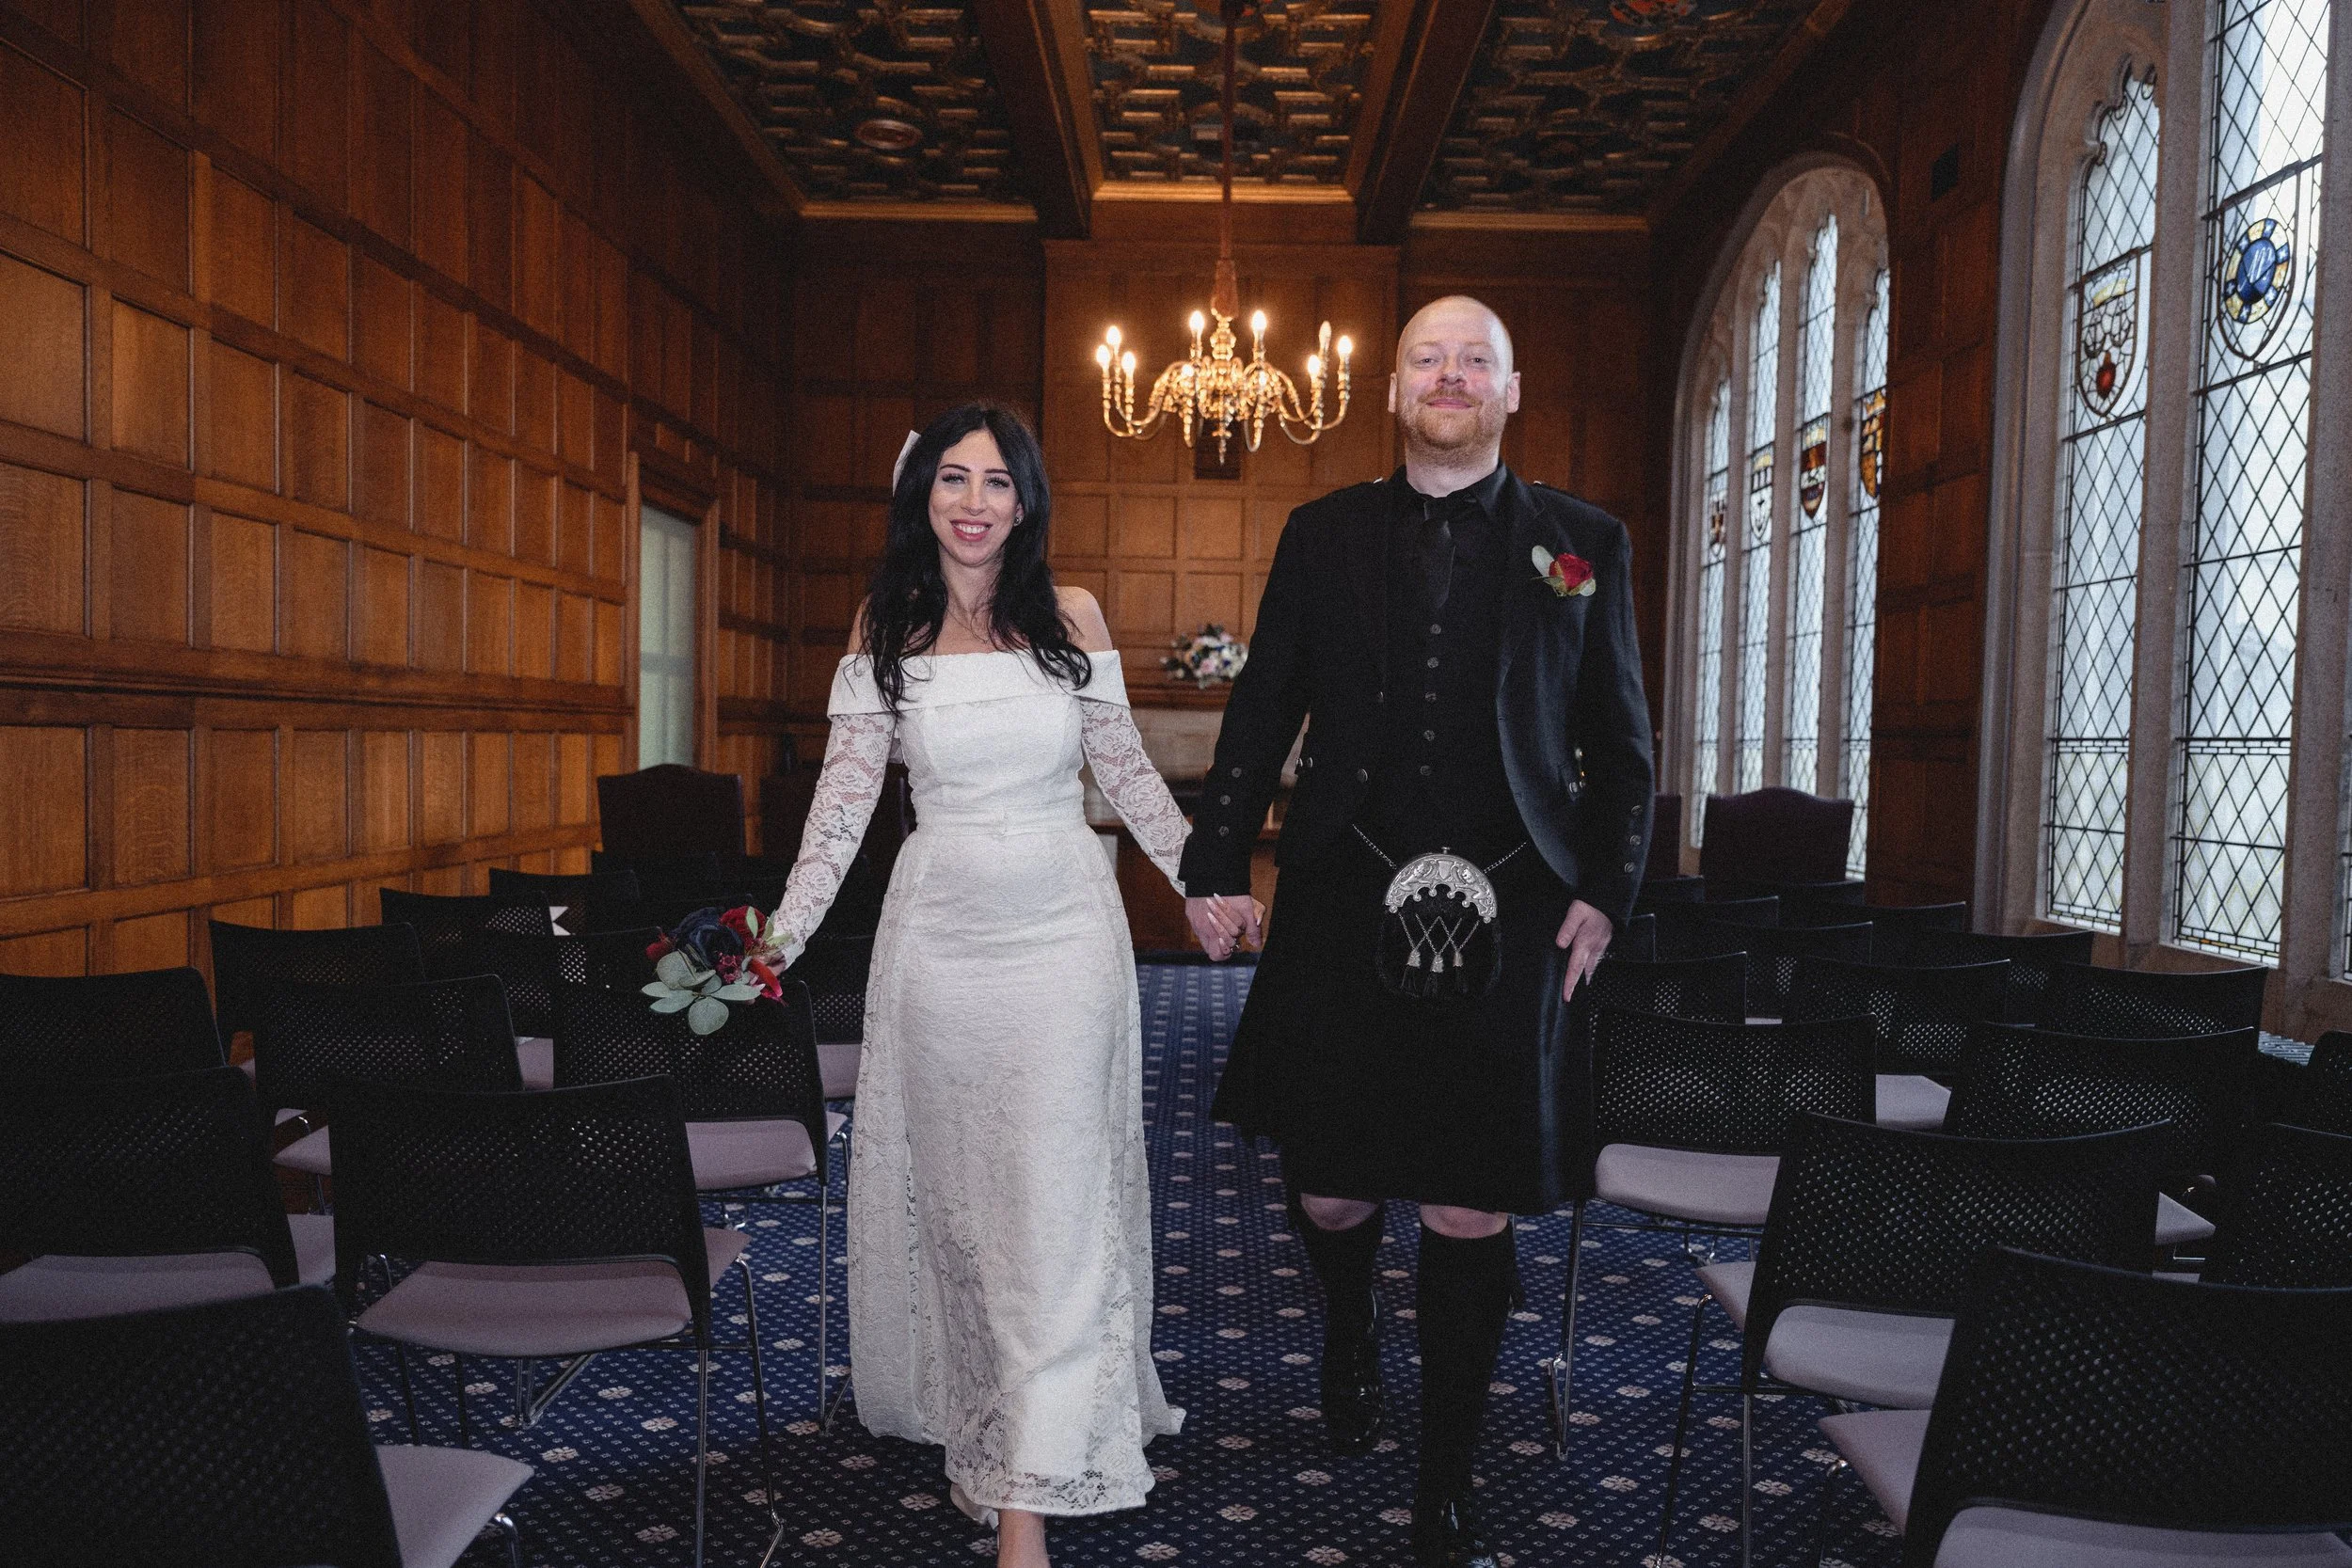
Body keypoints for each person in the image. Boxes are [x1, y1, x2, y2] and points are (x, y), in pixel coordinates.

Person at [1178, 296, 1654, 1567]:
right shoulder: (1322, 533)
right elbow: (1261, 708)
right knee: (1332, 1187)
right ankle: (1346, 1327)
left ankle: (1446, 1473)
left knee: (1465, 1205)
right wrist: (1212, 858)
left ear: (1511, 388)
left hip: (1518, 911)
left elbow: (1623, 747)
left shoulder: (1582, 541)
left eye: (1475, 359)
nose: (1452, 376)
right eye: (1430, 359)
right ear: (1394, 390)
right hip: (1344, 897)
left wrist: (1606, 888)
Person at [757, 404, 1248, 1568]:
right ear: (920, 494)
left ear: (1025, 499)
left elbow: (1124, 769)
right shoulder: (884, 619)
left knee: (1051, 1201)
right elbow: (841, 804)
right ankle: (994, 1418)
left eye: (996, 481)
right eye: (952, 479)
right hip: (937, 939)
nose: (974, 501)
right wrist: (772, 938)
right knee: (971, 1209)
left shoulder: (1067, 614)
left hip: (1063, 936)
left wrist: (1202, 881)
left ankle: (1024, 1498)